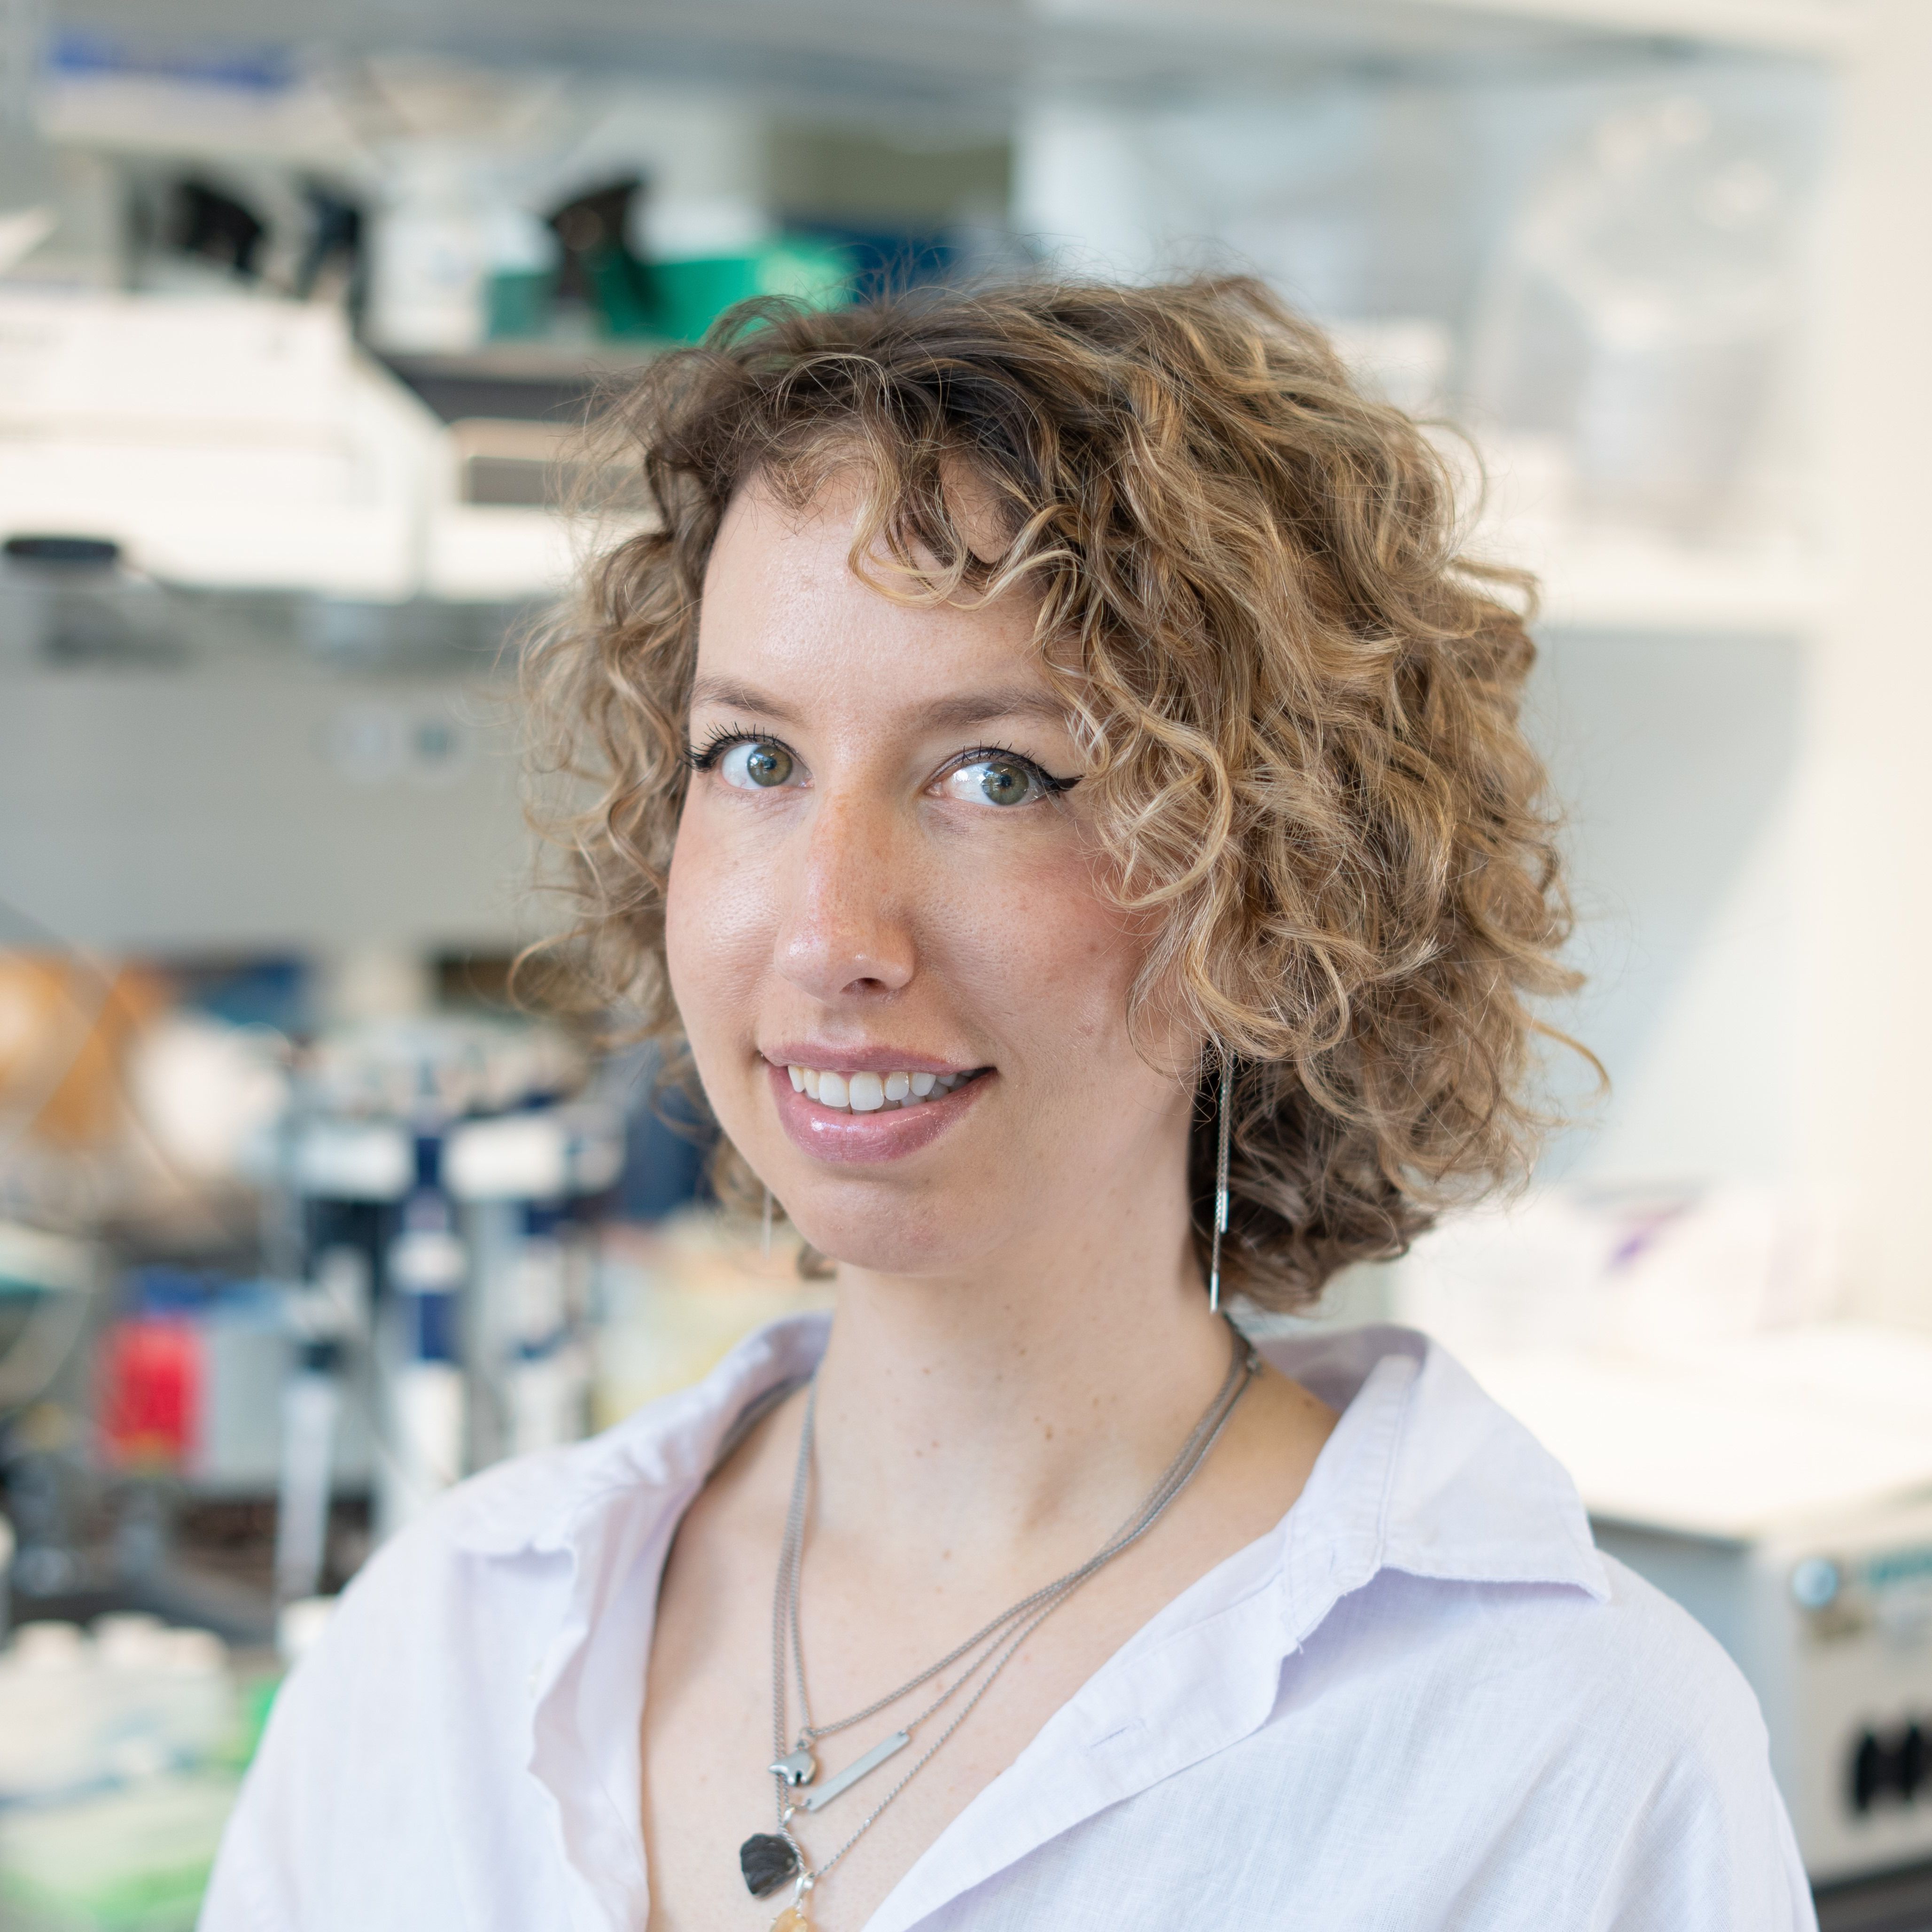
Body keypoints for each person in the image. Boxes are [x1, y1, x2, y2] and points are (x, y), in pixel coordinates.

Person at [202, 277, 1814, 1931]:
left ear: (1275, 877)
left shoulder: (1563, 1758)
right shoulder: (448, 1655)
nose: (832, 935)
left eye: (999, 776)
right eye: (754, 759)